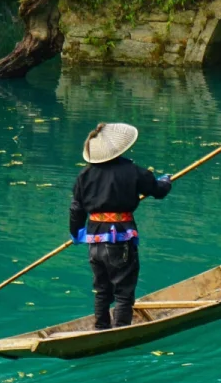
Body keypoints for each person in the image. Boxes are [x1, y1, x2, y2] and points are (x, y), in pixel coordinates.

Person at [69, 122, 171, 330]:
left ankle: (100, 327)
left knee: (102, 289)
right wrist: (165, 182)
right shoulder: (132, 171)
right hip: (119, 239)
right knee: (124, 291)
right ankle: (121, 330)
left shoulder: (84, 175)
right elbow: (157, 191)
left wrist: (75, 233)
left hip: (94, 240)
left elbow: (76, 208)